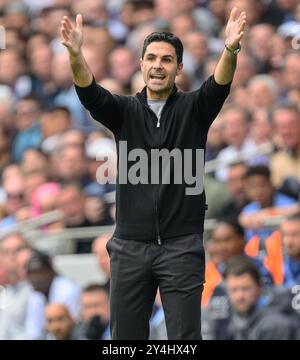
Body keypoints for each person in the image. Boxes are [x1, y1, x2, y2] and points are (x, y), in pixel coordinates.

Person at [61, 8, 246, 340]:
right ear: (141, 65)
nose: (158, 65)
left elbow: (220, 84)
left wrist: (230, 49)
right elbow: (89, 92)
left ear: (179, 68)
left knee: (184, 341)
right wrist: (76, 55)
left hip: (181, 247)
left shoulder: (195, 109)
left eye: (167, 59)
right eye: (151, 58)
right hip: (130, 247)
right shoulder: (123, 111)